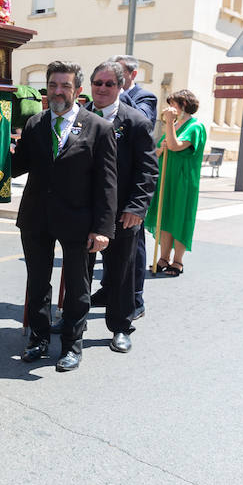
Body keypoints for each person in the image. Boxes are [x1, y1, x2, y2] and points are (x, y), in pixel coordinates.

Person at [12, 60, 117, 372]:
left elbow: (107, 183)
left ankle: (72, 345)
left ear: (78, 90)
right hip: (35, 217)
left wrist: (102, 228)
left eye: (65, 86)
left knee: (77, 285)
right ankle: (39, 339)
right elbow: (19, 165)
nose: (58, 92)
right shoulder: (35, 124)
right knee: (38, 282)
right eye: (53, 86)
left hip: (78, 220)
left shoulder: (99, 128)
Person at [84, 61, 157, 353]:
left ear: (120, 86)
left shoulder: (135, 121)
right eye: (97, 83)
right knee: (79, 271)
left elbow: (148, 170)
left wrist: (137, 208)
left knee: (121, 272)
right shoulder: (79, 116)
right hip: (83, 209)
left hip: (122, 213)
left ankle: (121, 327)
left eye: (109, 84)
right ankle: (74, 324)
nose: (102, 89)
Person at [146, 89, 206, 276]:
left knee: (179, 217)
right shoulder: (176, 125)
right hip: (167, 177)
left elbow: (174, 145)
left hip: (184, 180)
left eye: (173, 104)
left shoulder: (195, 127)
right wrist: (160, 148)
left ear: (184, 105)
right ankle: (163, 257)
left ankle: (177, 261)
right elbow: (159, 150)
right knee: (165, 216)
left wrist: (169, 123)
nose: (170, 108)